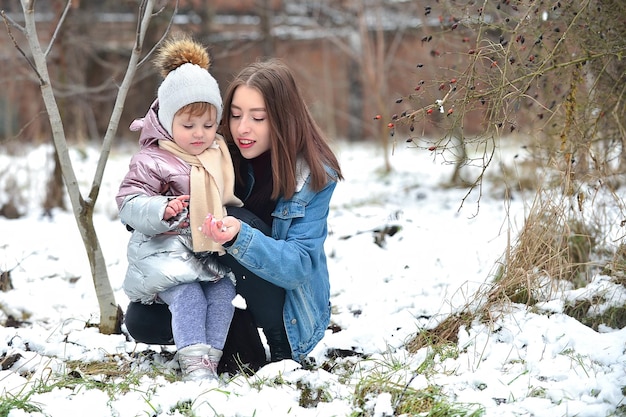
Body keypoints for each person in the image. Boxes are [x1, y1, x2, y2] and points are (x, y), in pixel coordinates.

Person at [124, 58, 343, 372]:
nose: (243, 128)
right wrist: (157, 208)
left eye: (258, 117)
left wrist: (241, 236)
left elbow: (299, 265)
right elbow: (138, 209)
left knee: (228, 213)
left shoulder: (312, 175)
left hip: (285, 306)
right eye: (236, 115)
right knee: (142, 321)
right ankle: (236, 337)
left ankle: (277, 343)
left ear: (284, 118)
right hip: (220, 281)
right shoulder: (214, 150)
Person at [116, 36, 243, 381]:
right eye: (188, 126)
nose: (199, 134)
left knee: (223, 293)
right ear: (167, 122)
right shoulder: (152, 158)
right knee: (189, 297)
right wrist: (161, 208)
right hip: (164, 254)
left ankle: (209, 359)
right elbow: (128, 201)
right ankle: (192, 363)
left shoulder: (217, 154)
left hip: (205, 254)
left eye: (208, 124)